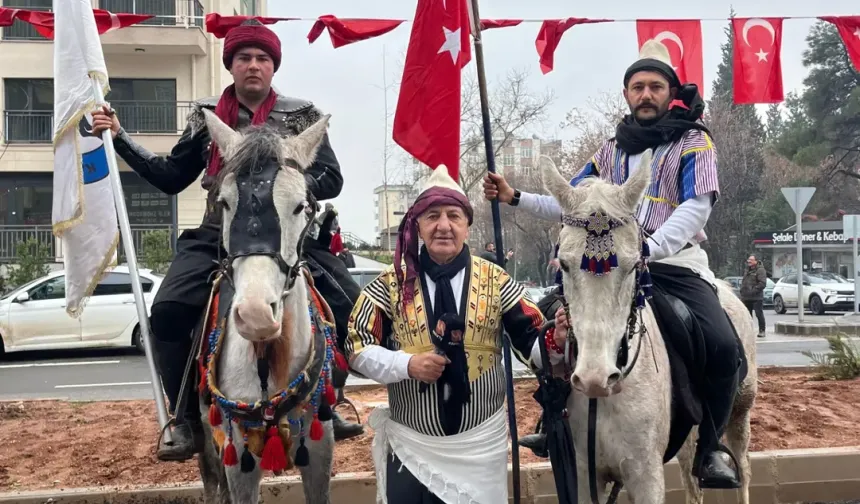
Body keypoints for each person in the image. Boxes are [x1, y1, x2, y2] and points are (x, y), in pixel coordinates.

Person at [89, 19, 362, 462]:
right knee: (168, 313)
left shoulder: (301, 115)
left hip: (287, 237)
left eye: (262, 59)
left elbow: (331, 177)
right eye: (243, 58)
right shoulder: (206, 118)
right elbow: (172, 177)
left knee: (353, 305)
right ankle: (185, 418)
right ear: (231, 66)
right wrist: (119, 139)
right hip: (219, 232)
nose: (253, 66)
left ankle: (330, 400)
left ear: (273, 67)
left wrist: (286, 180)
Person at [482, 40, 743, 489]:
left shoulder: (694, 141)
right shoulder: (611, 149)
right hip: (607, 265)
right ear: (627, 94)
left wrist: (651, 247)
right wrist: (515, 197)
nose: (646, 94)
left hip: (673, 263)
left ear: (670, 92)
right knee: (553, 328)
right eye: (637, 86)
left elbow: (696, 207)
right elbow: (572, 202)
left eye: (655, 86)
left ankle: (710, 447)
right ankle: (554, 421)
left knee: (721, 344)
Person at [344, 166, 550, 504]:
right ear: (418, 225)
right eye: (432, 216)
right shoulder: (389, 284)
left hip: (481, 448)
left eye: (454, 215)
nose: (444, 225)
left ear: (467, 224)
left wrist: (560, 340)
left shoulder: (497, 281)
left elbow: (534, 342)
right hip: (411, 446)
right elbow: (356, 347)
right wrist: (407, 364)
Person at [740, 255, 767, 338]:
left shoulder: (760, 270)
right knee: (747, 315)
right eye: (748, 259)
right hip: (746, 297)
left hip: (756, 297)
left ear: (756, 261)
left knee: (759, 314)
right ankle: (749, 331)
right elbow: (744, 281)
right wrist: (742, 290)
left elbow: (762, 283)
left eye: (751, 260)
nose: (749, 261)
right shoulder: (747, 270)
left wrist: (753, 291)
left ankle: (762, 331)